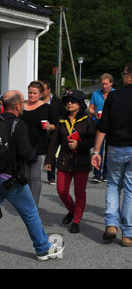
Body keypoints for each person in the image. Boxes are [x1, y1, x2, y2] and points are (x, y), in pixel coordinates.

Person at [0, 90, 64, 268]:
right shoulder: (17, 124)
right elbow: (26, 153)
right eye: (23, 101)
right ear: (18, 105)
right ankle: (43, 249)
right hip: (10, 177)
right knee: (30, 213)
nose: (25, 104)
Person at [91, 63, 132, 246]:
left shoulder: (114, 96)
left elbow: (103, 125)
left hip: (115, 147)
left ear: (128, 75)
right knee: (131, 189)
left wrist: (96, 151)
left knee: (114, 185)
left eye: (123, 73)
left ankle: (111, 225)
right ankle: (128, 234)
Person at [45, 90, 96, 233]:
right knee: (61, 191)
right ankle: (72, 211)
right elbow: (54, 142)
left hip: (81, 161)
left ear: (80, 104)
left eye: (72, 101)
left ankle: (77, 220)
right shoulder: (62, 120)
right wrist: (49, 160)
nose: (69, 103)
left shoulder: (87, 120)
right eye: (67, 101)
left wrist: (79, 145)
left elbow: (93, 139)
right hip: (63, 161)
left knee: (79, 192)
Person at [20, 81, 58, 206]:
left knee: (35, 176)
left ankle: (33, 205)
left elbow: (56, 124)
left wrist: (49, 126)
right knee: (26, 176)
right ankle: (28, 201)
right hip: (23, 144)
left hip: (39, 144)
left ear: (41, 94)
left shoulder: (46, 107)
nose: (31, 95)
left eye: (34, 93)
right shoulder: (22, 105)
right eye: (30, 93)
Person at [88, 73, 115, 183]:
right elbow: (90, 108)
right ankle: (97, 174)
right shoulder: (96, 93)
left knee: (109, 150)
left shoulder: (115, 94)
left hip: (112, 126)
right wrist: (94, 114)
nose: (104, 86)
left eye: (106, 84)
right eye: (102, 84)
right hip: (99, 124)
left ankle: (106, 173)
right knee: (98, 149)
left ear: (111, 83)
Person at [41, 80, 66, 185]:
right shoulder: (38, 101)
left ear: (49, 90)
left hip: (54, 131)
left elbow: (64, 114)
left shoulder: (56, 100)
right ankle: (34, 176)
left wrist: (56, 126)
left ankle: (51, 177)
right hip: (41, 132)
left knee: (51, 153)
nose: (41, 92)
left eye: (43, 90)